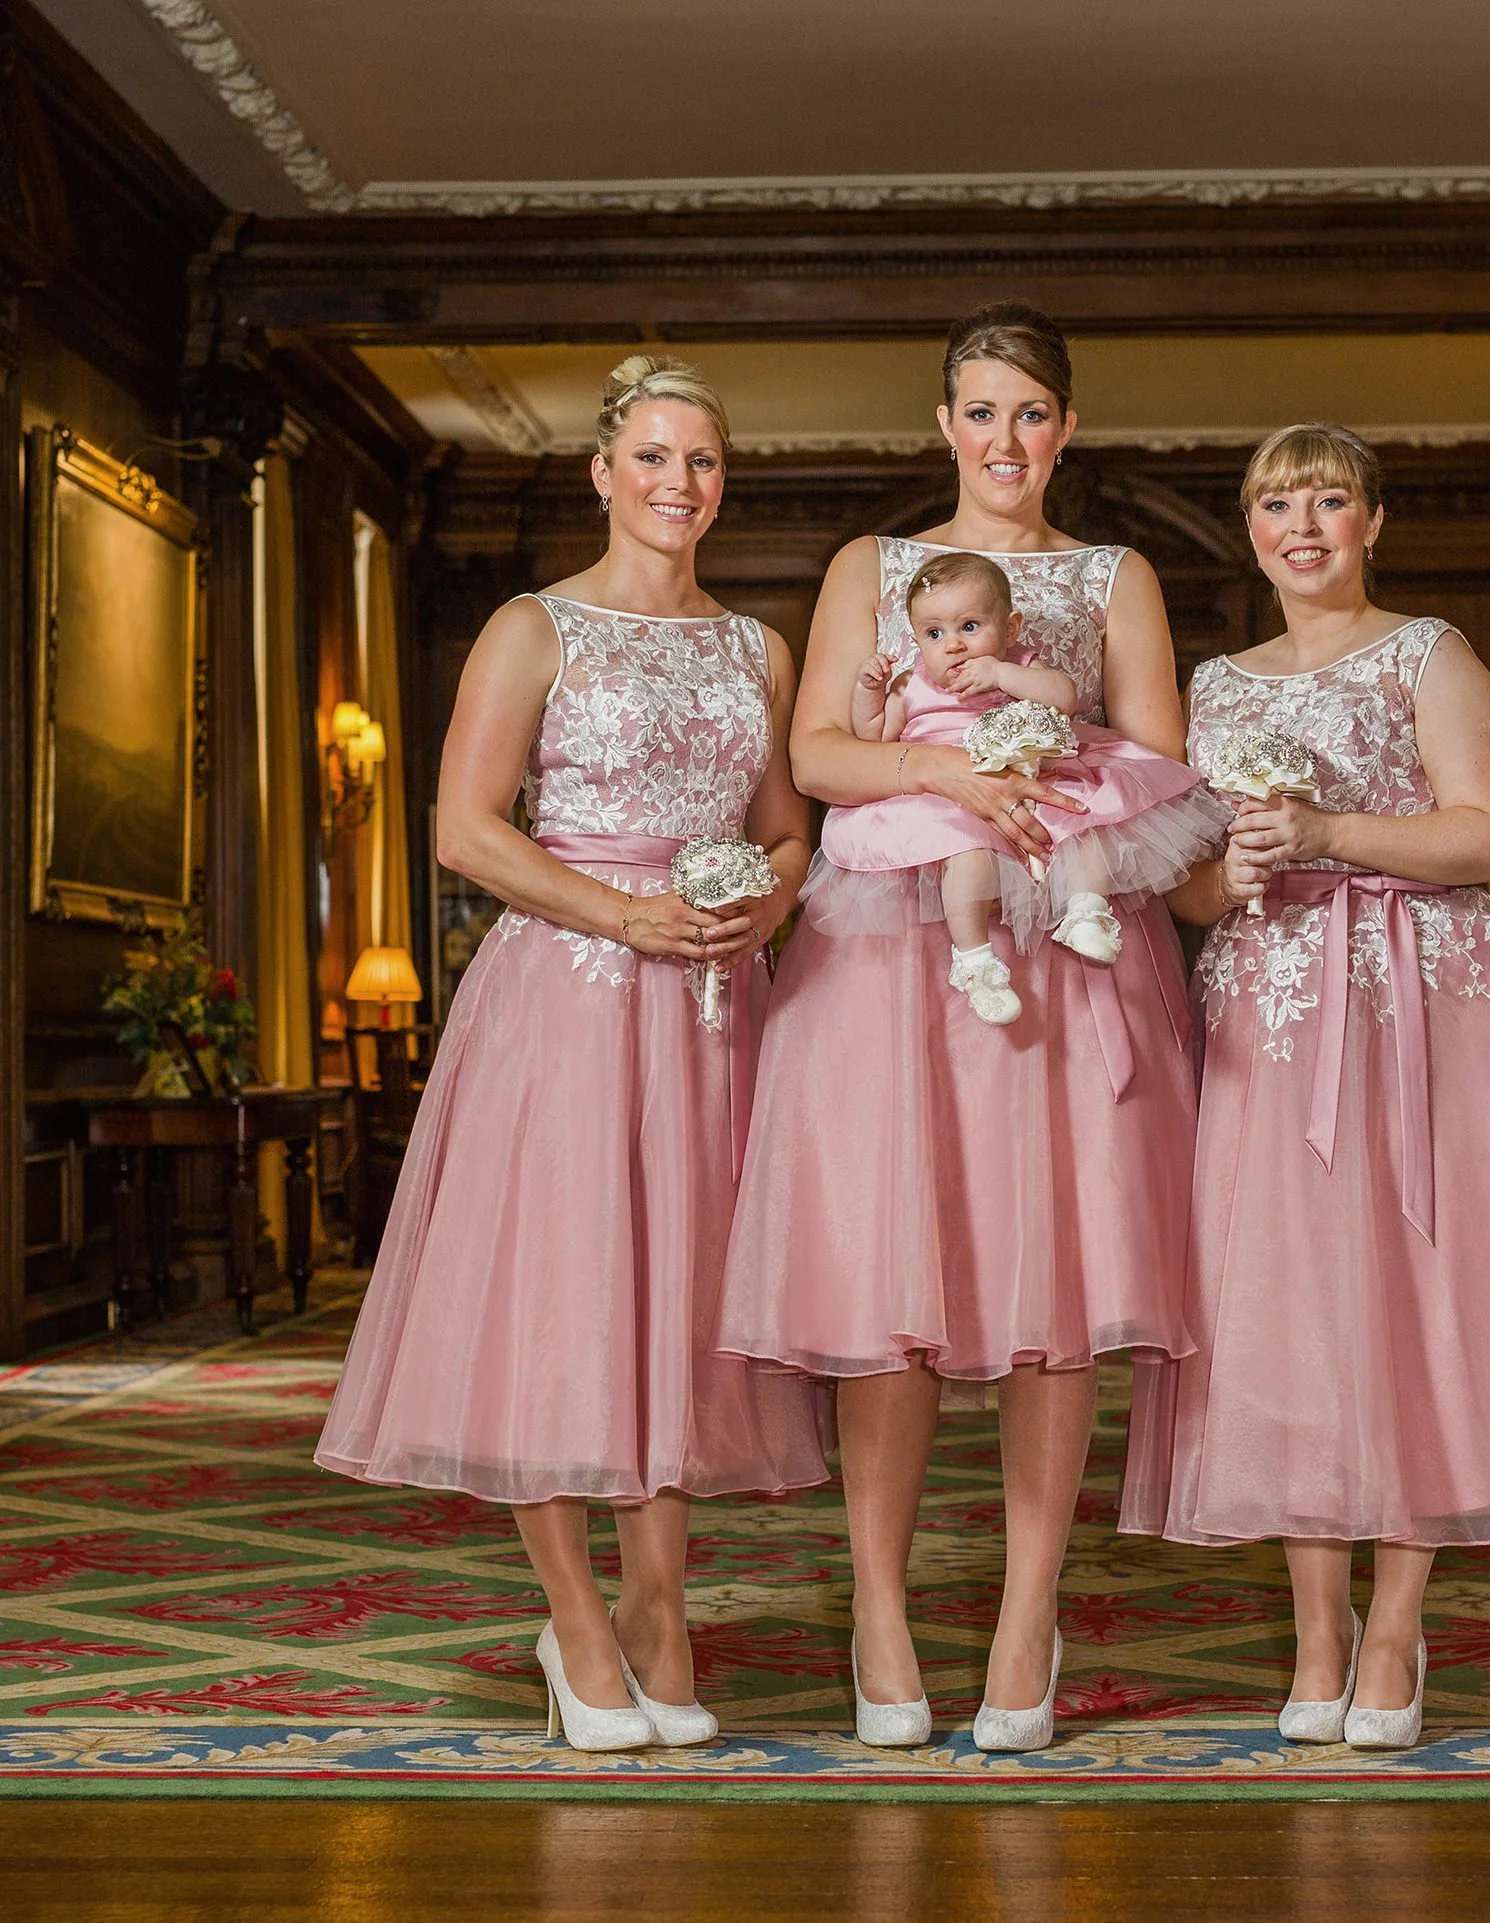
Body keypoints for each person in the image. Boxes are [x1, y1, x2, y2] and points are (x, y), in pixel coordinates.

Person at [1121, 422, 1490, 1750]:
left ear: (1372, 521)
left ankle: (1395, 1616)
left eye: (1328, 499)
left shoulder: (1429, 652)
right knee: (1279, 1306)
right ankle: (1317, 1624)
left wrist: (1337, 831)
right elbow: (1181, 879)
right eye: (1277, 501)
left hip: (1423, 1007)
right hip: (1268, 1022)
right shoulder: (1214, 686)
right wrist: (1234, 876)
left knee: (1412, 1301)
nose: (1304, 524)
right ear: (1253, 527)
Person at [315, 354, 828, 1752]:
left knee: (671, 1307)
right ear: (605, 472)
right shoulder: (531, 627)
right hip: (567, 996)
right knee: (561, 1298)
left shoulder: (758, 649)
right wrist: (626, 913)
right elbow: (465, 829)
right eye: (654, 458)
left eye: (704, 461)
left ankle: (662, 1613)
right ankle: (579, 1622)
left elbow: (788, 823)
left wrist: (766, 897)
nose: (680, 484)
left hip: (714, 1012)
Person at [717, 303, 1199, 1753]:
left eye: (1033, 412)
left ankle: (1023, 1618)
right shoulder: (870, 565)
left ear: (1067, 426)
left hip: (1063, 944)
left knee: (1058, 1299)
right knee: (893, 1295)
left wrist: (1035, 772)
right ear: (943, 424)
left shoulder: (1118, 575)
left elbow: (1165, 757)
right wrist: (945, 765)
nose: (1006, 439)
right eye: (980, 412)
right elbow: (812, 749)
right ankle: (877, 1606)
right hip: (884, 959)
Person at [814, 548, 1219, 1024]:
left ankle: (1087, 913)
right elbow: (874, 737)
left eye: (970, 627)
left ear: (1008, 629)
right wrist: (868, 691)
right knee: (967, 862)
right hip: (949, 800)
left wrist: (1002, 673)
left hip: (1034, 776)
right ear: (917, 639)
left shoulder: (1020, 669)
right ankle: (975, 963)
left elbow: (1065, 698)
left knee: (1082, 826)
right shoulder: (912, 685)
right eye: (934, 633)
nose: (954, 645)